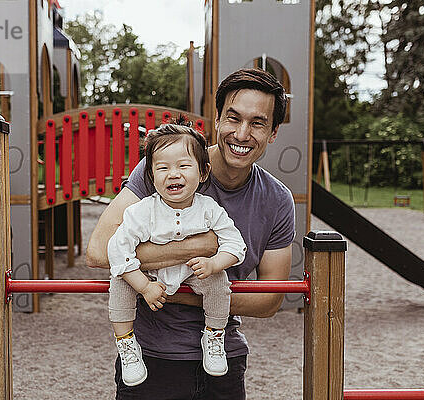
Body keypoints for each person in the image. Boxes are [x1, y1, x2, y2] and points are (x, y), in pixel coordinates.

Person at [86, 68, 295, 399]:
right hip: (152, 355)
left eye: (257, 123)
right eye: (233, 118)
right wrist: (199, 246)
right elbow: (98, 251)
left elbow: (269, 300)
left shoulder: (277, 199)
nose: (241, 133)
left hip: (224, 352)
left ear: (273, 132)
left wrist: (164, 290)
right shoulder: (168, 167)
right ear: (217, 119)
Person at [107, 124, 247, 387]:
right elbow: (118, 248)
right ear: (150, 175)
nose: (173, 174)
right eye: (162, 168)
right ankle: (126, 342)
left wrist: (214, 262)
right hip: (148, 274)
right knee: (119, 281)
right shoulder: (142, 211)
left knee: (219, 281)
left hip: (192, 271)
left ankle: (214, 335)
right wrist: (143, 285)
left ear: (203, 172)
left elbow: (236, 244)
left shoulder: (208, 209)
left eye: (184, 166)